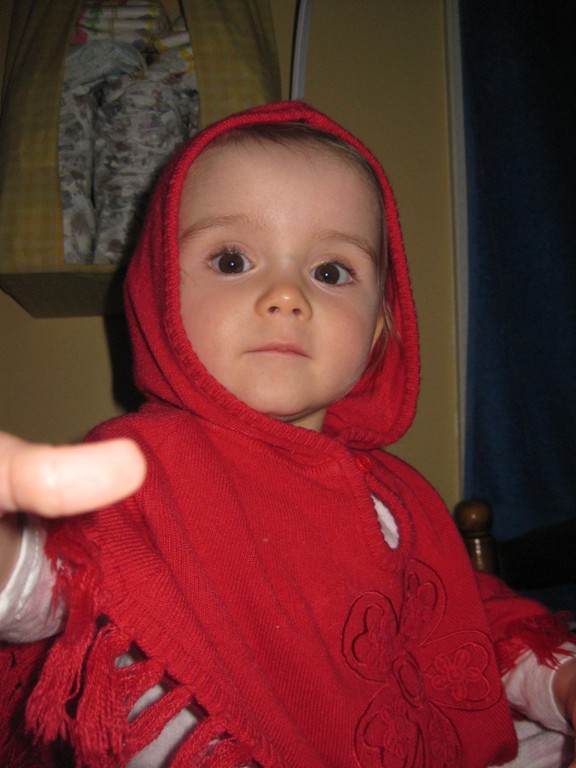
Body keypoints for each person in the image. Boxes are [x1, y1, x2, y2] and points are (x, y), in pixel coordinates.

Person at [0, 101, 574, 768]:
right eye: (231, 260)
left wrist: (560, 680)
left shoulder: (398, 498)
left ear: (379, 328)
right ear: (160, 293)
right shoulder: (138, 463)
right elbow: (53, 586)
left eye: (330, 272)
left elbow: (470, 628)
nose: (286, 296)